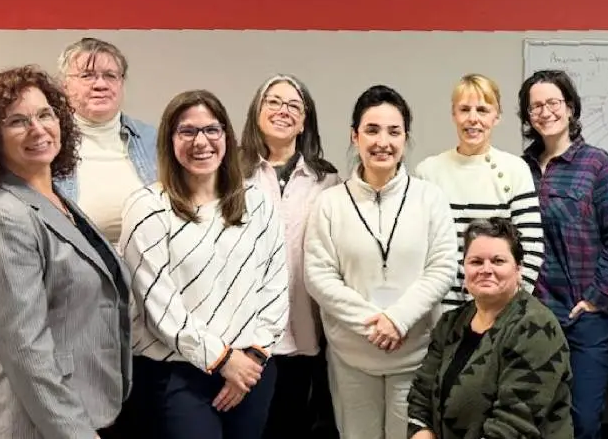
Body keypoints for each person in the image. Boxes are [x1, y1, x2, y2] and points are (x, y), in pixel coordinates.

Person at [0, 65, 131, 439]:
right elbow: (24, 349)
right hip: (36, 423)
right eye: (17, 121)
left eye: (44, 114)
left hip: (85, 405)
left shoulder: (55, 200)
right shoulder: (1, 215)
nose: (37, 129)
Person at [120, 90, 288, 439]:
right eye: (187, 131)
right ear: (169, 139)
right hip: (180, 373)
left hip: (251, 369)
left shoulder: (255, 202)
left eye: (212, 130)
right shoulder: (148, 207)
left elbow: (275, 286)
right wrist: (224, 360)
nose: (202, 142)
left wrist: (251, 360)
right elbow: (158, 307)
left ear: (226, 136)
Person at [305, 85, 458, 439]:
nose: (382, 142)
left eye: (394, 131)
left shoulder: (429, 198)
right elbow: (319, 275)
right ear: (354, 136)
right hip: (352, 357)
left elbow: (442, 268)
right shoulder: (330, 203)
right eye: (372, 130)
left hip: (415, 353)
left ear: (406, 137)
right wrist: (373, 324)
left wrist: (398, 320)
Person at [517, 69, 608, 439]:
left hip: (586, 317)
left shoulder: (598, 164)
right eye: (536, 106)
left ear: (570, 107)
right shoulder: (519, 169)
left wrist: (597, 299)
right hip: (532, 315)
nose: (545, 112)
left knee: (582, 422)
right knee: (534, 419)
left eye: (553, 102)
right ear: (527, 115)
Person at [239, 74, 342, 439]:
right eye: (273, 102)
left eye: (293, 105)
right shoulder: (231, 173)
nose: (283, 111)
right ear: (256, 111)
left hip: (304, 332)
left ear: (305, 120)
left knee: (295, 428)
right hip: (243, 335)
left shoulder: (327, 180)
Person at [408, 218, 574, 439]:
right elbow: (420, 396)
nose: (486, 270)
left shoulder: (536, 328)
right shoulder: (450, 322)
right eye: (476, 261)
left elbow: (513, 426)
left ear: (518, 269)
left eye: (498, 261)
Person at [414, 73, 545, 309]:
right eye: (464, 109)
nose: (472, 119)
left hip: (500, 311)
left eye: (482, 110)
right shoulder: (428, 172)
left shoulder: (516, 170)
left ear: (497, 117)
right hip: (441, 312)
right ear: (454, 114)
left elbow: (531, 247)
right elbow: (419, 250)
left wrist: (508, 307)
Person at [55, 37, 158, 246]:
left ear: (121, 84)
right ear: (64, 85)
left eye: (110, 76)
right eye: (87, 76)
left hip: (147, 264)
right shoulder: (47, 143)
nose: (101, 84)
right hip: (78, 266)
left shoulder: (153, 139)